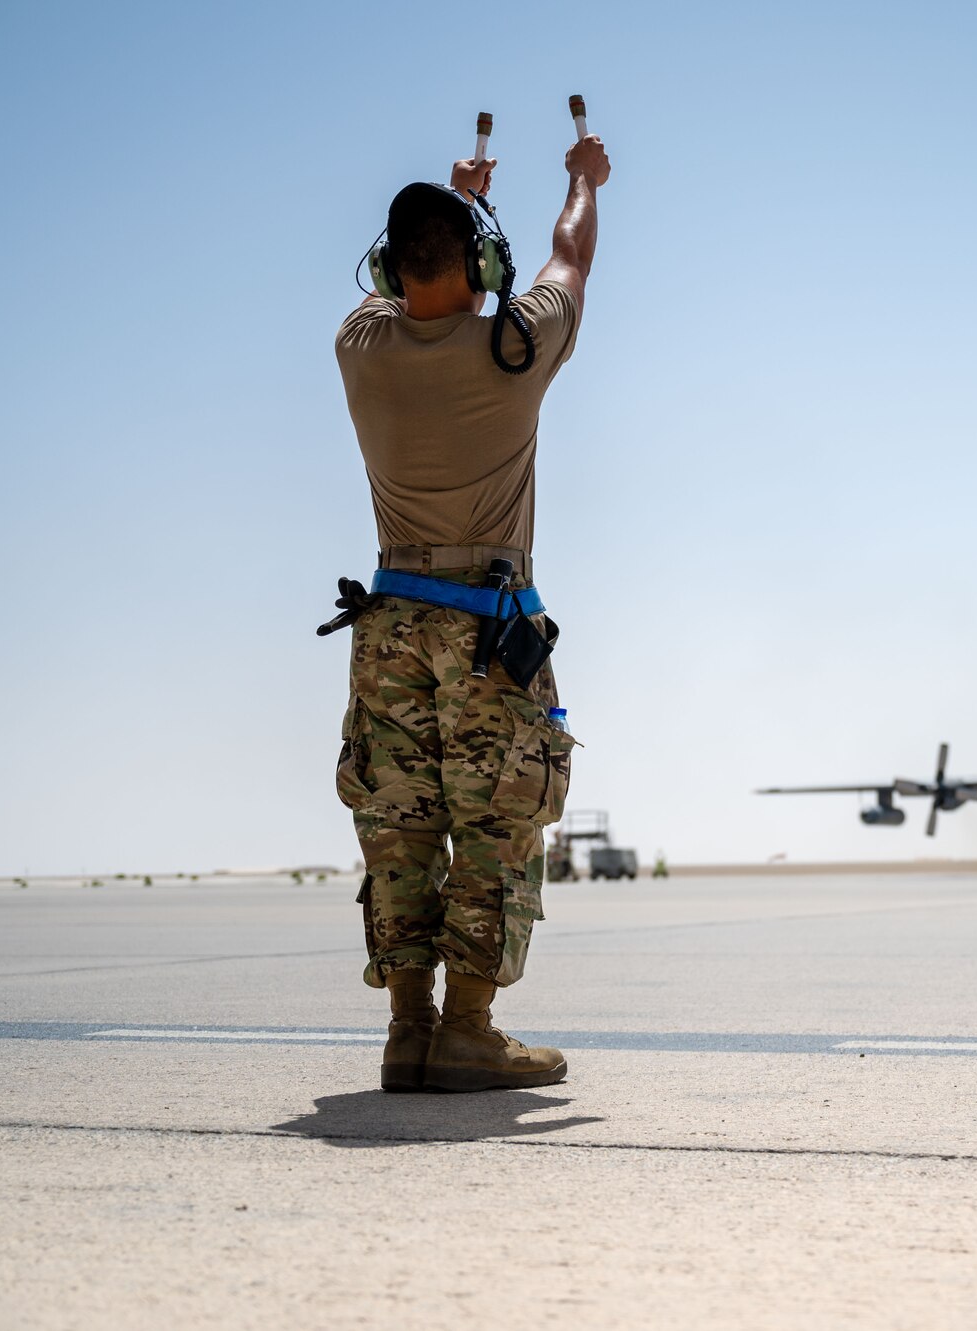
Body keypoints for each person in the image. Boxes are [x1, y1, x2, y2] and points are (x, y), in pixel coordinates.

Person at [332, 131, 611, 1092]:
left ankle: (408, 1031)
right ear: (482, 266)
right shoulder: (515, 345)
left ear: (388, 265)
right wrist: (580, 181)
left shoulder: (359, 346)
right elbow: (568, 256)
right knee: (496, 822)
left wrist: (453, 198)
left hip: (388, 623)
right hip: (488, 628)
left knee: (398, 822)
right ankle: (470, 1029)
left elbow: (385, 288)